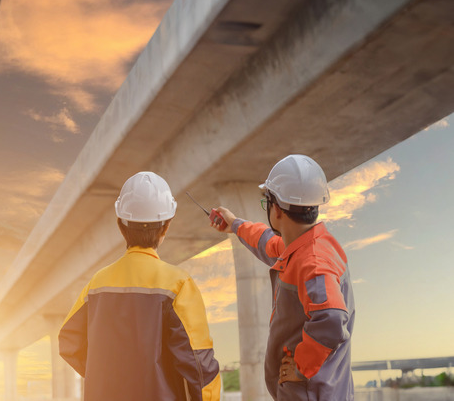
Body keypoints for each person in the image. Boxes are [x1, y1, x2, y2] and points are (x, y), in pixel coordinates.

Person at [59, 171, 221, 400]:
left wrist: (109, 377)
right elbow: (199, 366)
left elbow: (69, 341)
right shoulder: (179, 285)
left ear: (120, 225)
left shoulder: (96, 285)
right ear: (166, 227)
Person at [211, 154, 355, 400]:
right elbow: (267, 242)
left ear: (275, 208)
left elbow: (331, 318)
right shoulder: (305, 247)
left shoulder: (314, 263)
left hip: (310, 394)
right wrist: (234, 224)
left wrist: (302, 366)